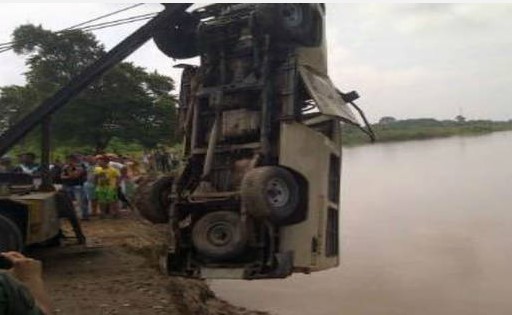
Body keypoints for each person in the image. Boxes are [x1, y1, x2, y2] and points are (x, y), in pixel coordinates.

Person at [60, 154, 88, 220]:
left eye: (71, 159)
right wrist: (69, 176)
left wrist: (69, 173)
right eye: (68, 159)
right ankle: (70, 216)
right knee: (67, 202)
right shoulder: (65, 167)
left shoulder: (80, 166)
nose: (69, 161)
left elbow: (75, 176)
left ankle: (84, 215)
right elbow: (61, 176)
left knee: (81, 201)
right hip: (67, 185)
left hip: (78, 186)